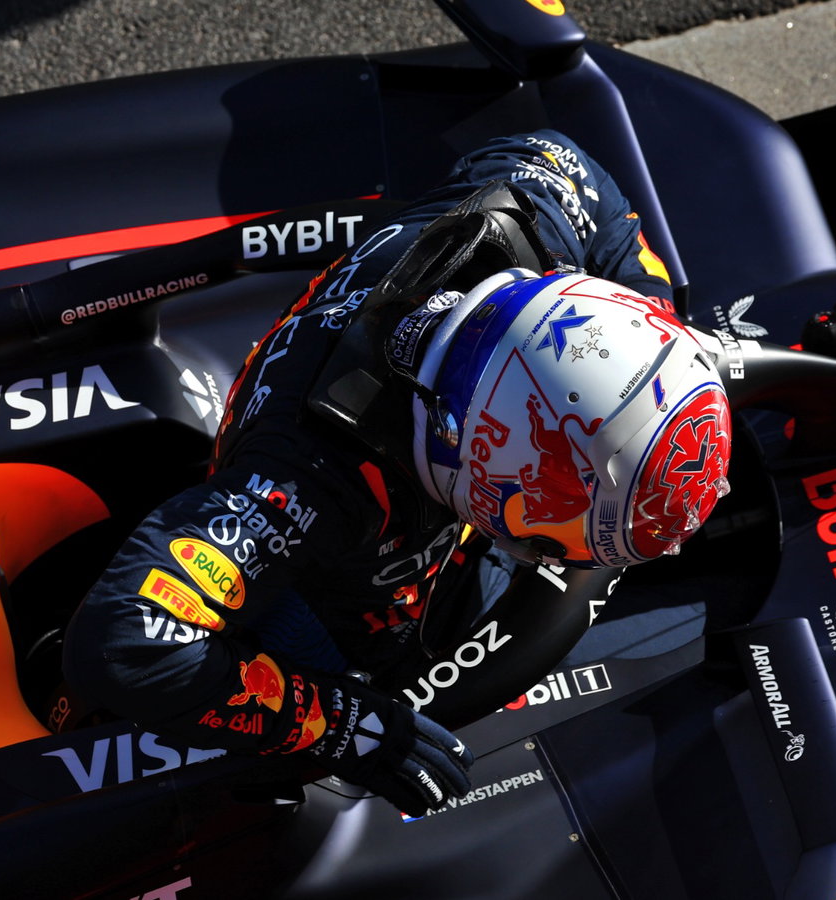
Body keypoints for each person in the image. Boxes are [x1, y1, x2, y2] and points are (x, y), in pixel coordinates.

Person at [62, 130, 732, 816]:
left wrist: (650, 334)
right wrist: (345, 726)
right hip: (337, 611)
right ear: (480, 465)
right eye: (557, 506)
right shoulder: (316, 481)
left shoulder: (526, 215)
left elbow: (560, 153)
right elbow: (126, 641)